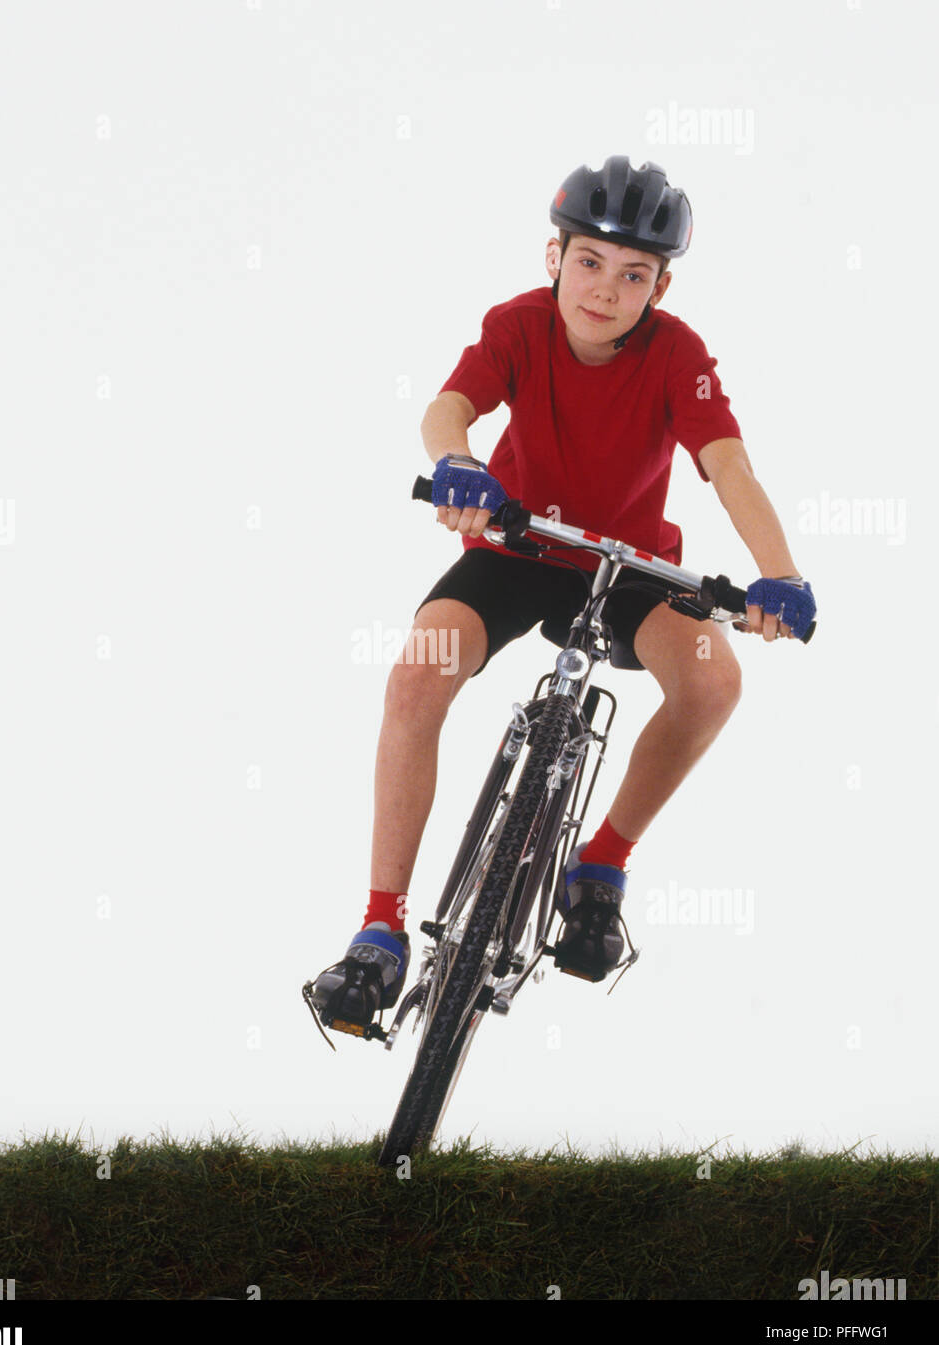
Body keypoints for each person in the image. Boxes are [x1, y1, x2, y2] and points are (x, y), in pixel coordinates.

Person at [307, 155, 816, 1034]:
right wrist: (459, 465)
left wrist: (784, 572)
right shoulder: (519, 324)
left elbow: (726, 463)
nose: (607, 289)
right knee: (416, 673)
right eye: (590, 263)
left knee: (715, 682)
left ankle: (601, 866)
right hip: (516, 543)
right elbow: (449, 405)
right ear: (554, 257)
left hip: (630, 565)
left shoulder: (678, 354)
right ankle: (379, 930)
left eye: (634, 275)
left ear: (660, 286)